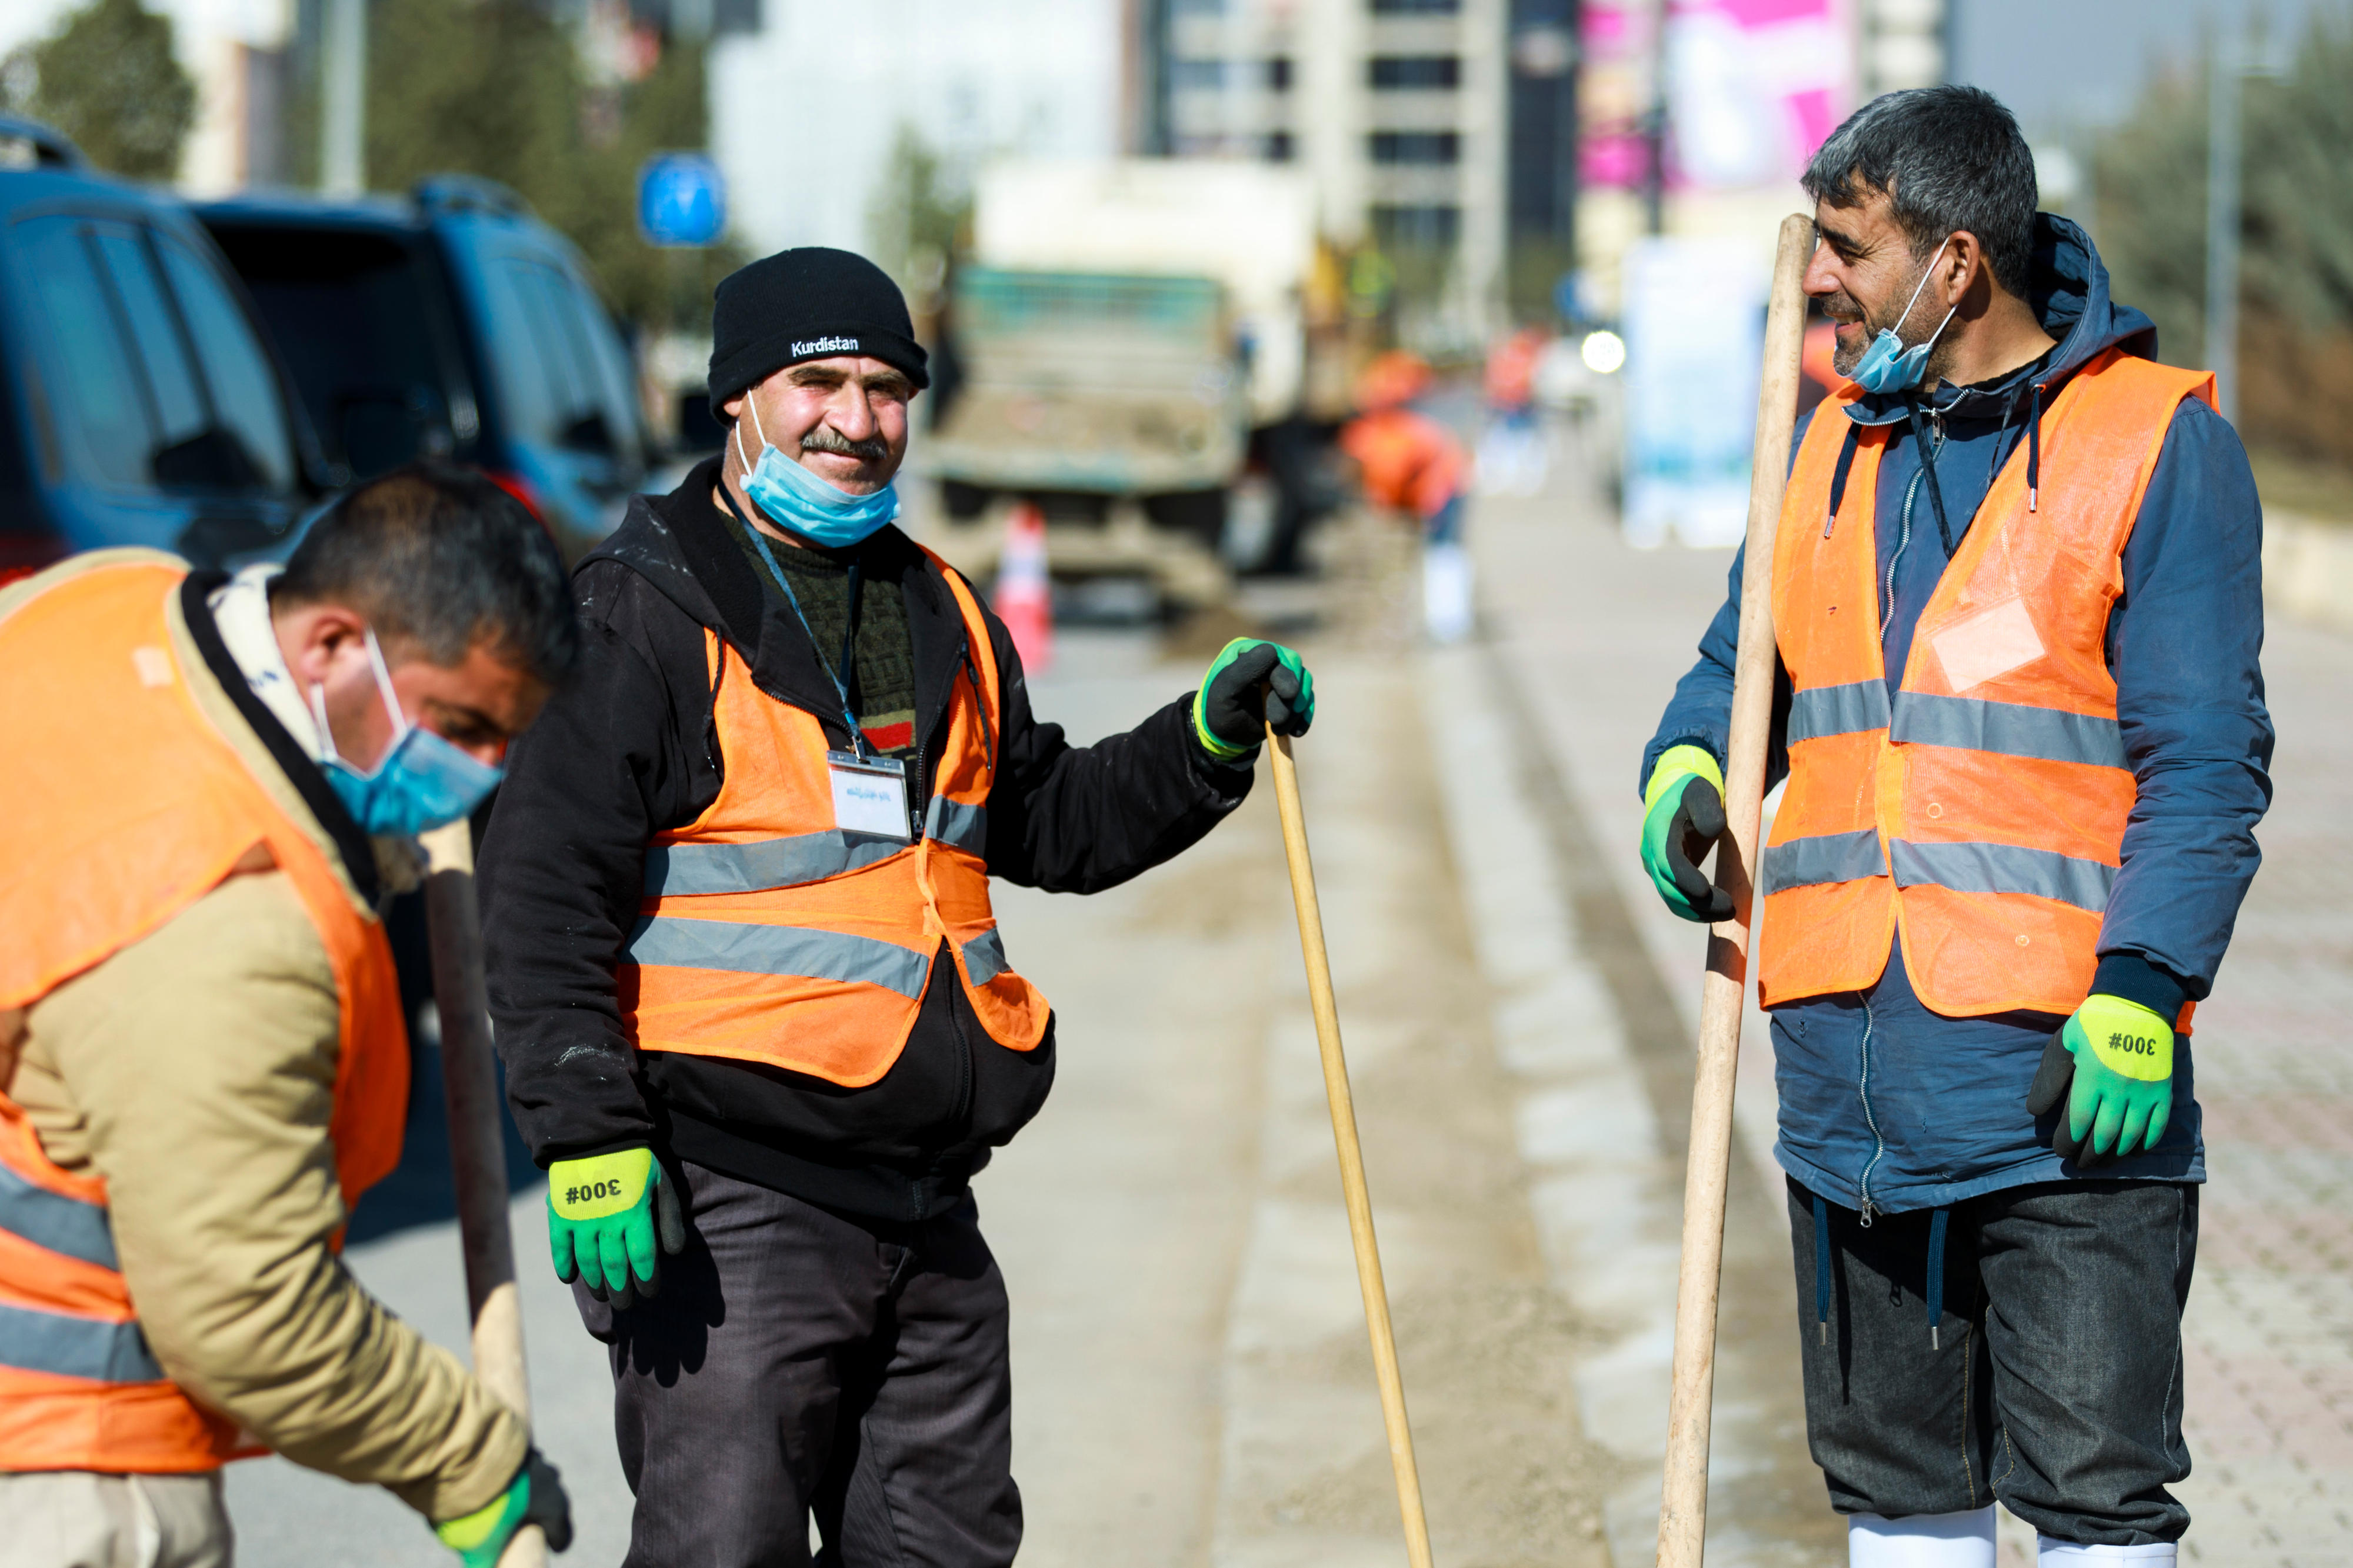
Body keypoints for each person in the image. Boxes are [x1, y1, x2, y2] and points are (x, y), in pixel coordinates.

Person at [476, 246, 1315, 1566]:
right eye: (818, 383)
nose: (855, 422)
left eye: (885, 388)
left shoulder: (941, 608)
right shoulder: (638, 613)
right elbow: (539, 894)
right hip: (728, 1211)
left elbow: (1047, 821)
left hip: (926, 1212)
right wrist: (583, 1129)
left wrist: (1200, 742)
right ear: (737, 396)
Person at [1638, 88, 2269, 1568]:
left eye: (1847, 245)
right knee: (1898, 1495)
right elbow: (1739, 676)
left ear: (1956, 264)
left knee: (2093, 1500)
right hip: (1849, 1093)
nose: (1817, 277)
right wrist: (1681, 776)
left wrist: (2145, 987)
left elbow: (2205, 765)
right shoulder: (1819, 455)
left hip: (2063, 1101)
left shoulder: (2150, 447)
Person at [0, 467, 581, 1568]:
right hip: (66, 1464)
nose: (479, 775)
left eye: (504, 740)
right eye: (459, 726)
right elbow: (250, 1313)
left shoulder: (102, 604)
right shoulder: (231, 922)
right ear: (328, 645)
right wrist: (471, 1464)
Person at [1338, 349, 1474, 643]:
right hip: (1437, 480)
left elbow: (1395, 480)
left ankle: (1448, 622)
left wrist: (1387, 506)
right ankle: (1440, 621)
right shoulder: (1383, 429)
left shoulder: (1388, 437)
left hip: (1445, 486)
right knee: (1438, 552)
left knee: (1444, 551)